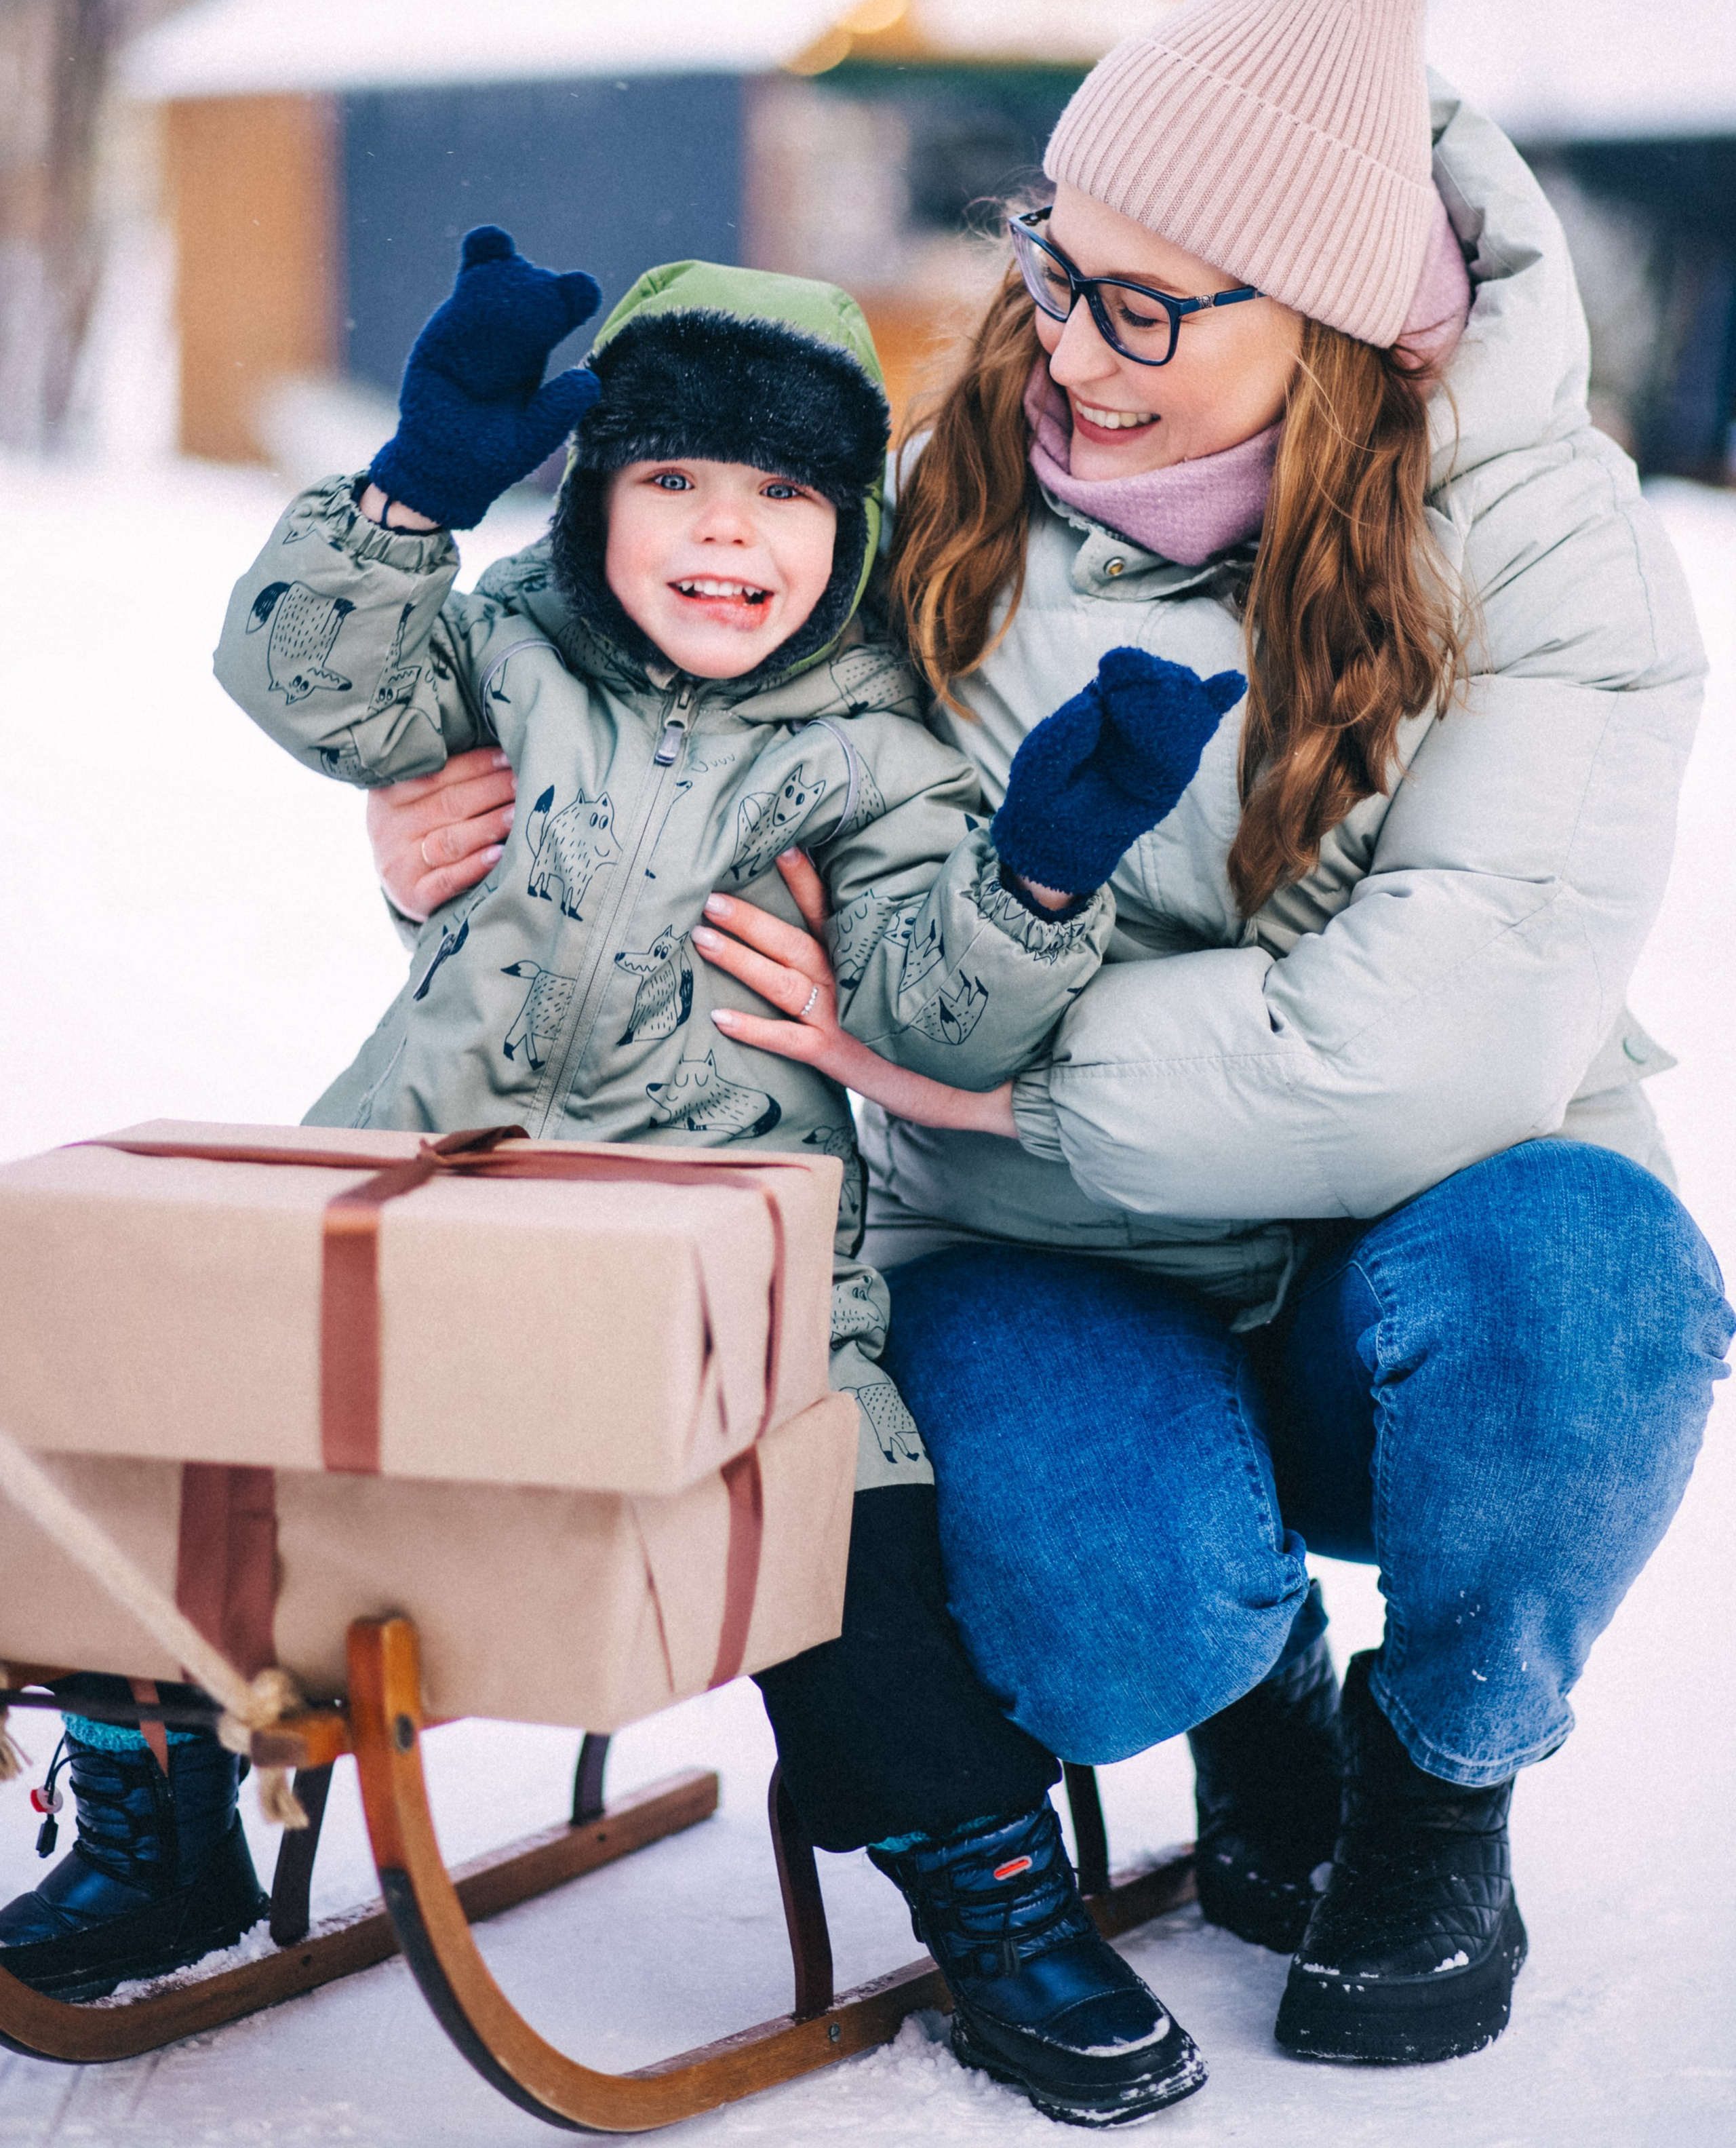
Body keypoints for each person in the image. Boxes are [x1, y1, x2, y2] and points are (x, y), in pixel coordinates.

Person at [370, 0, 1731, 2117]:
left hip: (1423, 1231)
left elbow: (1430, 1047)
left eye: (1143, 307)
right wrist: (456, 790)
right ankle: (1254, 1676)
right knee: (1112, 1620)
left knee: (1601, 1290)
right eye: (1051, 264)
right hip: (1044, 1257)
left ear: (1335, 322)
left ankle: (1438, 1774)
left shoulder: (1551, 541)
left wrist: (946, 1058)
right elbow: (673, 694)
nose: (1067, 345)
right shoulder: (949, 497)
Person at [0, 247, 1234, 2086]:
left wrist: (1041, 872)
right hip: (421, 1200)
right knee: (146, 1403)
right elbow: (304, 680)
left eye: (783, 494)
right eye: (671, 479)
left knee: (840, 1530)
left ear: (853, 528)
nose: (725, 533)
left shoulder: (873, 753)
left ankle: (988, 1888)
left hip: (728, 1257)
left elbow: (940, 1017)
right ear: (590, 496)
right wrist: (415, 486)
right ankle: (155, 1819)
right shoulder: (505, 648)